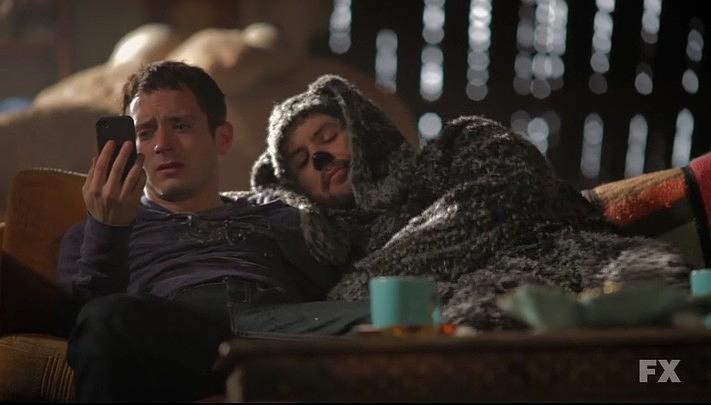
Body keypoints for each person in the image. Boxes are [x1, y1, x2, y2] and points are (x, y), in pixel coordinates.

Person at [251, 74, 692, 330]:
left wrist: (369, 281)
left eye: (327, 136)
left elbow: (499, 198)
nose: (321, 157)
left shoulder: (463, 143)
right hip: (488, 336)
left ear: (361, 126)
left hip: (598, 271)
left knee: (664, 362)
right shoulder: (340, 254)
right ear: (299, 189)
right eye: (302, 161)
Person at [57, 62, 369, 402]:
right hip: (175, 332)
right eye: (145, 133)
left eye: (181, 125)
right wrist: (109, 228)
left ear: (222, 137)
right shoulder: (98, 229)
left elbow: (344, 267)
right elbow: (84, 326)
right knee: (105, 318)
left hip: (273, 328)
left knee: (394, 316)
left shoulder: (278, 211)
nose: (162, 144)